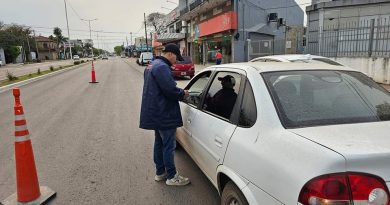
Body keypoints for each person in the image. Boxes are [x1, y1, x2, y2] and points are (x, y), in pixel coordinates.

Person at [139, 43, 190, 186]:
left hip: (156, 112)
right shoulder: (162, 67)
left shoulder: (152, 65)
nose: (176, 61)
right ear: (170, 54)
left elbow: (158, 88)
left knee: (159, 143)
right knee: (169, 145)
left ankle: (160, 173)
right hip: (164, 113)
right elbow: (170, 91)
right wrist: (183, 93)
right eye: (176, 58)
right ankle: (172, 177)